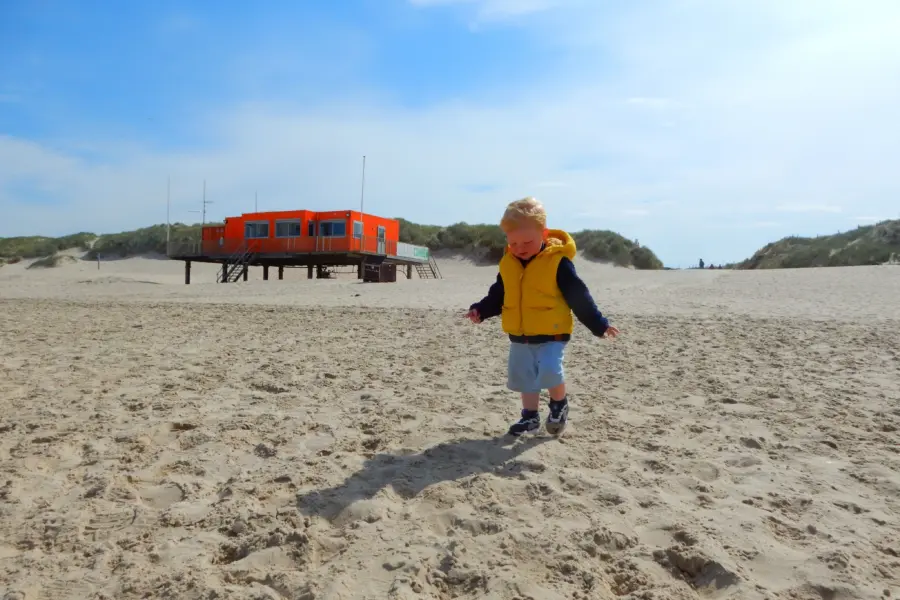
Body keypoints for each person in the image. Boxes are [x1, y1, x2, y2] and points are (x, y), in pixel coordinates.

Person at [465, 197, 620, 437]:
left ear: (543, 233)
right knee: (525, 378)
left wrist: (599, 325)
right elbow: (499, 294)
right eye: (513, 242)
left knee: (549, 370)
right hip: (520, 334)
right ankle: (530, 417)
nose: (520, 247)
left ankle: (559, 404)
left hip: (552, 332)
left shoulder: (558, 262)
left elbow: (579, 297)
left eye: (527, 241)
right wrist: (481, 310)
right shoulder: (508, 263)